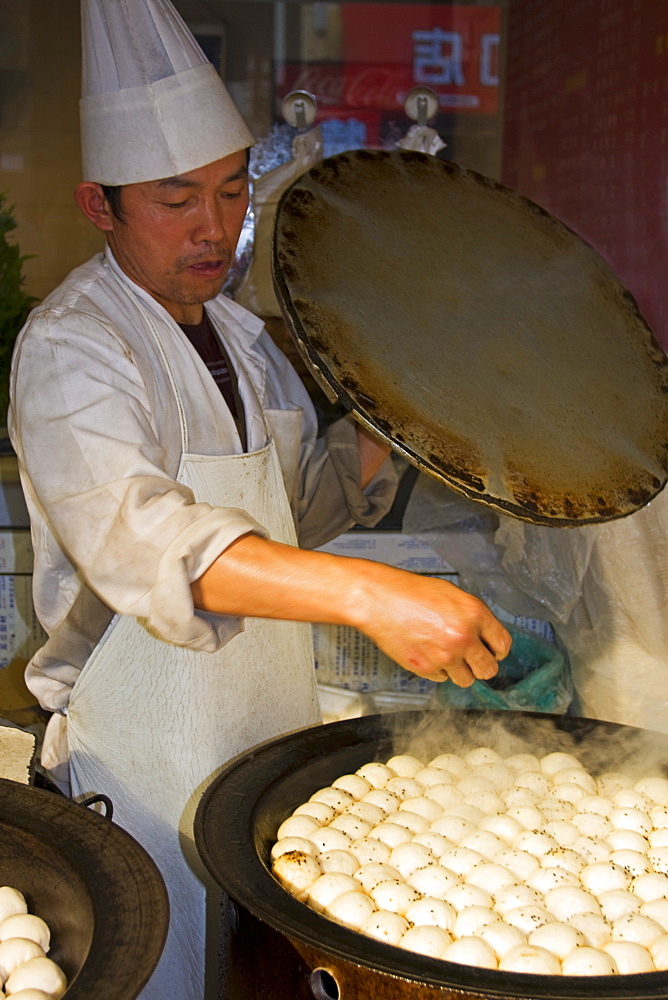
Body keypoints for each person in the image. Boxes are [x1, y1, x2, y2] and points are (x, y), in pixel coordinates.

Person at [8, 1, 511, 996]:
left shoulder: (244, 343)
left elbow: (296, 514)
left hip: (258, 726)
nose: (213, 227)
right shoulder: (73, 348)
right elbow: (146, 542)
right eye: (174, 199)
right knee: (161, 970)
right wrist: (370, 597)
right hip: (133, 746)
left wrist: (383, 423)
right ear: (98, 204)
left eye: (232, 193)